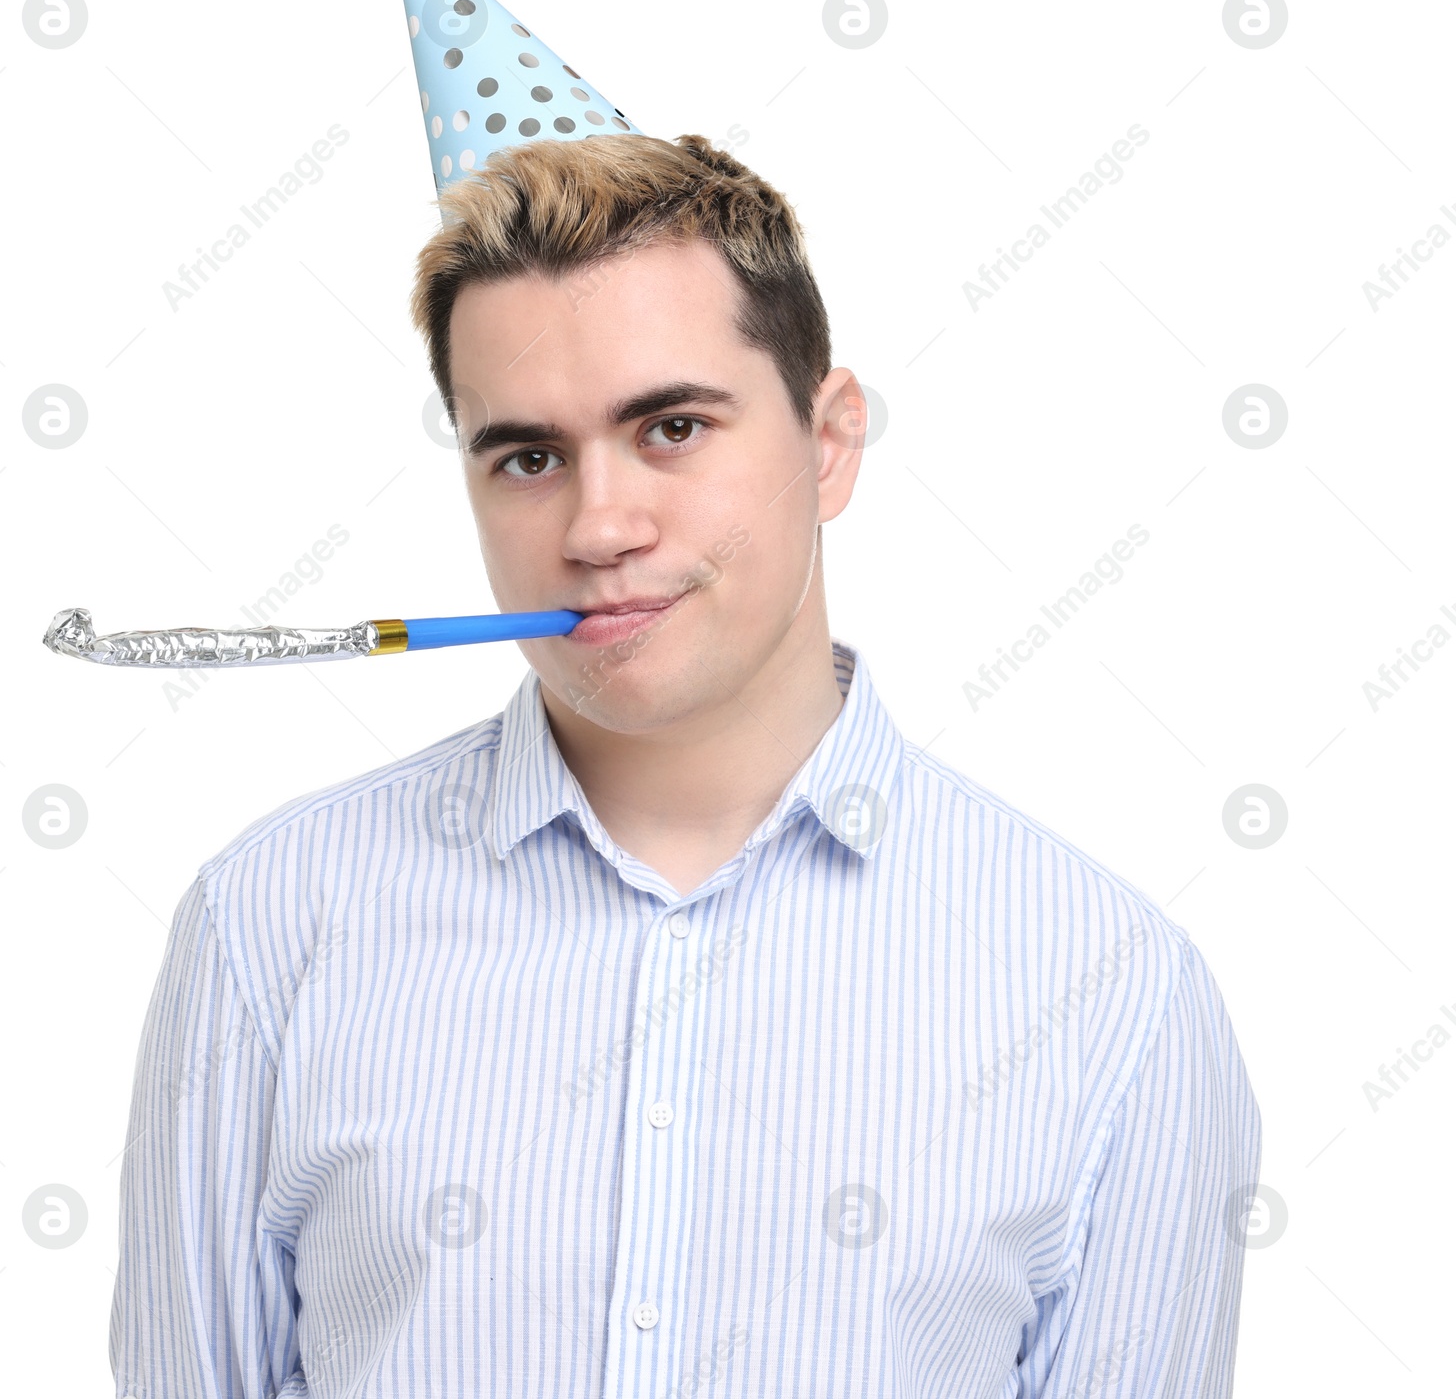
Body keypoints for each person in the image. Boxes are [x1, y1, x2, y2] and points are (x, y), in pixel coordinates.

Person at [110, 129, 1261, 1398]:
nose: (599, 527)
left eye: (670, 427)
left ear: (829, 443)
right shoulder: (268, 926)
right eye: (529, 457)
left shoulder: (1114, 995)